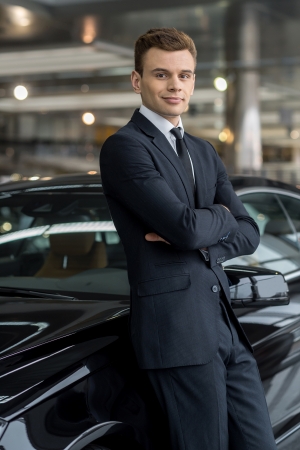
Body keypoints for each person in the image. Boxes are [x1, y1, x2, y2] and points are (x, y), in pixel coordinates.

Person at [100, 27, 277, 450]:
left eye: (185, 75)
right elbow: (185, 227)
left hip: (225, 328)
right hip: (176, 333)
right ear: (137, 80)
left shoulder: (203, 150)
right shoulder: (125, 147)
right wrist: (217, 217)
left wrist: (201, 233)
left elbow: (249, 232)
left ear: (194, 80)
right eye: (161, 74)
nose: (175, 85)